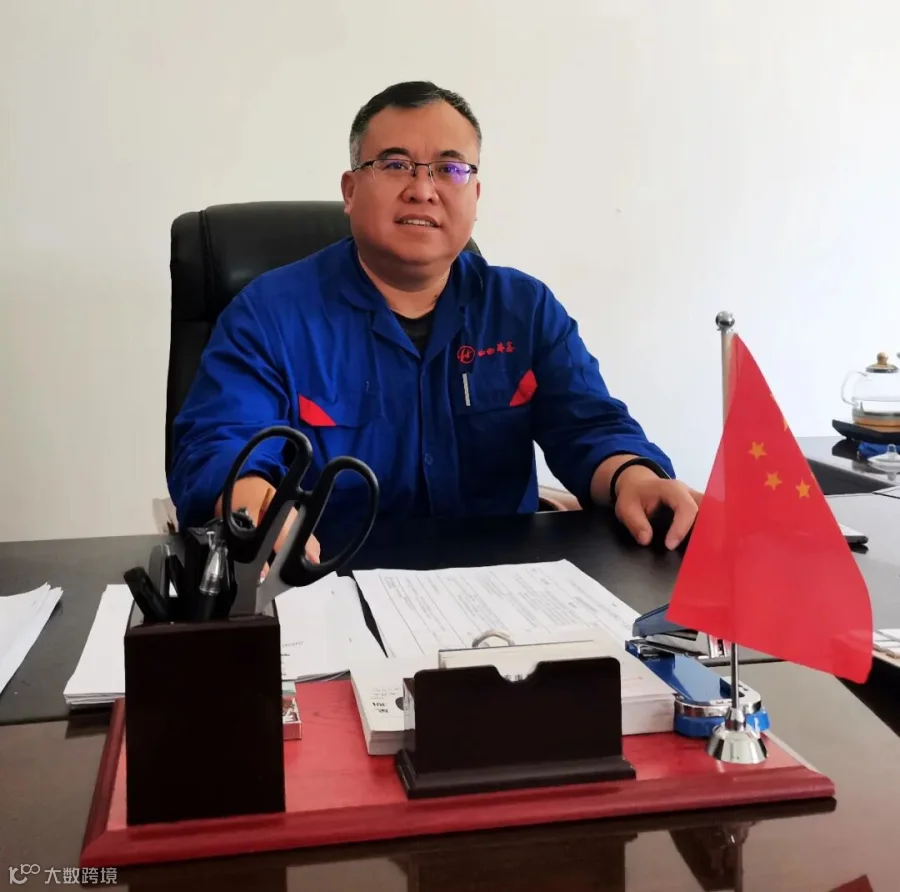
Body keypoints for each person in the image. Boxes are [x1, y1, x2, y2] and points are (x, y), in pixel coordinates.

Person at [168, 81, 699, 565]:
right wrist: (248, 503)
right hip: (325, 581)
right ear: (350, 191)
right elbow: (220, 442)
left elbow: (589, 426)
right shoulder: (270, 314)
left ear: (475, 195)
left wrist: (634, 476)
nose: (423, 189)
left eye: (450, 169)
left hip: (501, 590)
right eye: (396, 164)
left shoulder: (523, 308)